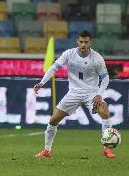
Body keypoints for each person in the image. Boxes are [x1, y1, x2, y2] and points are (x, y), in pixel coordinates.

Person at [34, 30, 115, 159]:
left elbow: (105, 78)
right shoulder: (69, 54)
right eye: (81, 42)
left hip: (91, 94)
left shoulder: (97, 58)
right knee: (53, 120)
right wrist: (42, 82)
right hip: (73, 94)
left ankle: (107, 148)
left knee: (104, 112)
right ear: (77, 41)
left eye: (86, 42)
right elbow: (54, 68)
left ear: (90, 42)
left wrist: (99, 94)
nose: (83, 44)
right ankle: (47, 150)